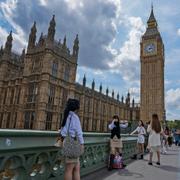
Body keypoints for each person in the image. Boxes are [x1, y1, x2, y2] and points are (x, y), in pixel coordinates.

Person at [60, 98, 84, 180]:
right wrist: (82, 143)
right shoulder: (75, 117)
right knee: (76, 169)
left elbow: (64, 131)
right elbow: (79, 132)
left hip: (68, 143)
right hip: (74, 143)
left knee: (69, 170)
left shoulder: (67, 115)